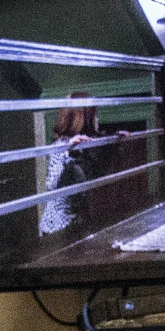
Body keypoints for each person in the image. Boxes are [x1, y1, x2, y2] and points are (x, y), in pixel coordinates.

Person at [38, 94, 101, 241]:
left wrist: (114, 144)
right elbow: (51, 185)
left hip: (77, 220)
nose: (97, 119)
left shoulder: (83, 144)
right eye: (95, 115)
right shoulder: (60, 146)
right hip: (57, 226)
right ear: (83, 117)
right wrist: (66, 152)